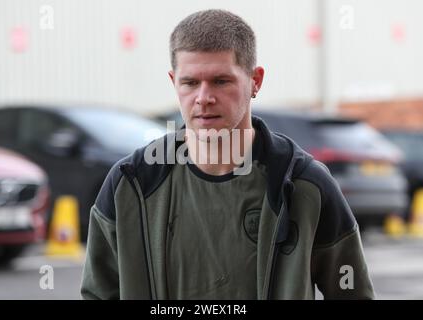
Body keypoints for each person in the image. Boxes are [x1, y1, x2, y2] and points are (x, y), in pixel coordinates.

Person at [81, 9, 375, 300]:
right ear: (174, 82)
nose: (204, 98)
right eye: (190, 82)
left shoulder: (305, 186)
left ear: (255, 81)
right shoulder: (131, 186)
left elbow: (353, 294)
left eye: (221, 81)